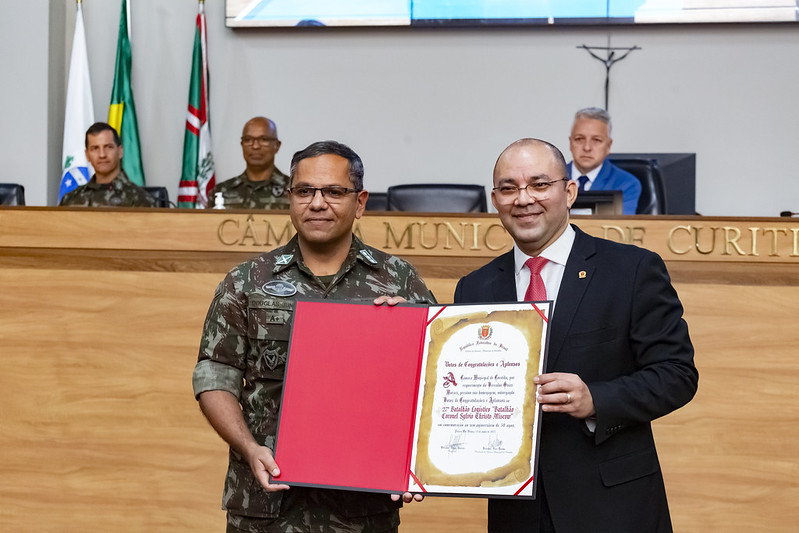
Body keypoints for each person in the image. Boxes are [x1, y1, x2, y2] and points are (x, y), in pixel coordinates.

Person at [454, 138, 698, 532]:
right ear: (495, 199)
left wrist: (595, 399)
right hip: (517, 513)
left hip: (612, 505)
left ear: (569, 192)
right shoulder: (475, 288)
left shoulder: (631, 270)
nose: (524, 199)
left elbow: (677, 375)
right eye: (509, 188)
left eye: (539, 184)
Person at [192, 140, 434, 532]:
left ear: (360, 202)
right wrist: (249, 448)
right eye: (305, 191)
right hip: (267, 506)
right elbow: (214, 377)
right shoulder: (247, 281)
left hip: (362, 509)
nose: (317, 203)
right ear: (290, 199)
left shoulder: (398, 280)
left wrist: (414, 461)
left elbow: (433, 382)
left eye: (334, 192)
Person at [58, 122, 156, 207]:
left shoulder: (140, 200)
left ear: (120, 151)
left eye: (108, 147)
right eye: (95, 148)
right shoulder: (71, 200)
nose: (102, 155)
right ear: (87, 155)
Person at [567, 107, 641, 215]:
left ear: (608, 146)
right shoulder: (551, 180)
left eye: (596, 140)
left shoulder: (626, 183)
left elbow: (620, 229)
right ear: (570, 143)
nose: (587, 148)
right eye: (579, 139)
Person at [208, 116, 289, 209]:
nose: (255, 146)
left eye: (264, 139)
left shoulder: (294, 191)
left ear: (277, 146)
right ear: (242, 145)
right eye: (248, 140)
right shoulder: (221, 191)